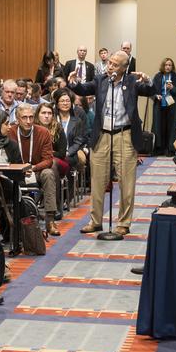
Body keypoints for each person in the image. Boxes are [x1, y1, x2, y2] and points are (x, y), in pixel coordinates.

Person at [67, 49, 148, 237]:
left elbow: (150, 90)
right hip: (102, 134)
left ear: (124, 68)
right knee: (98, 180)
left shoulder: (132, 82)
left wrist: (148, 80)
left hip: (124, 134)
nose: (110, 66)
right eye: (109, 62)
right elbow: (83, 89)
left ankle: (123, 223)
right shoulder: (100, 80)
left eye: (114, 64)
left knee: (126, 182)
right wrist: (73, 82)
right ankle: (95, 221)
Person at [6, 103, 59, 235]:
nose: (28, 121)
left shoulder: (43, 132)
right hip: (16, 170)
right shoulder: (10, 132)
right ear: (17, 118)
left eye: (31, 117)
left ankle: (50, 220)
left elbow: (48, 159)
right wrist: (21, 169)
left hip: (37, 169)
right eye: (24, 117)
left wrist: (34, 168)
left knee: (48, 173)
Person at [151, 58, 176, 157]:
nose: (168, 67)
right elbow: (152, 90)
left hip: (173, 106)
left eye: (170, 65)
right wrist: (156, 96)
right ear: (163, 66)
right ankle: (159, 148)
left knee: (172, 127)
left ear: (172, 67)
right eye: (166, 65)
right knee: (159, 127)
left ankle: (171, 149)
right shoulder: (158, 76)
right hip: (160, 105)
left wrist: (172, 88)